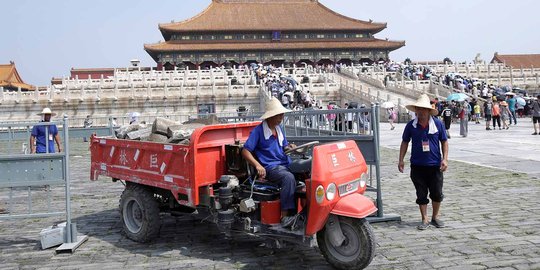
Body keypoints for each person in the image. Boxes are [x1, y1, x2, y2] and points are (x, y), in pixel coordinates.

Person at [242, 97, 298, 228]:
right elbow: (245, 151)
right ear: (270, 116)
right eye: (278, 115)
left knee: (306, 170)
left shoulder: (279, 129)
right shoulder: (258, 131)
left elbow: (284, 146)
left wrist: (290, 147)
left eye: (282, 115)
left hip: (284, 163)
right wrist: (258, 165)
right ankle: (285, 217)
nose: (281, 118)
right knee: (288, 178)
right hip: (271, 167)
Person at [398, 94, 449, 230]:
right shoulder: (411, 126)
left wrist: (445, 159)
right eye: (418, 109)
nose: (420, 112)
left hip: (434, 165)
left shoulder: (437, 124)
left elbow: (444, 141)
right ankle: (424, 218)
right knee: (421, 193)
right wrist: (401, 160)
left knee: (437, 192)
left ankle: (435, 217)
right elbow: (405, 142)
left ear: (428, 111)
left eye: (423, 109)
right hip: (417, 165)